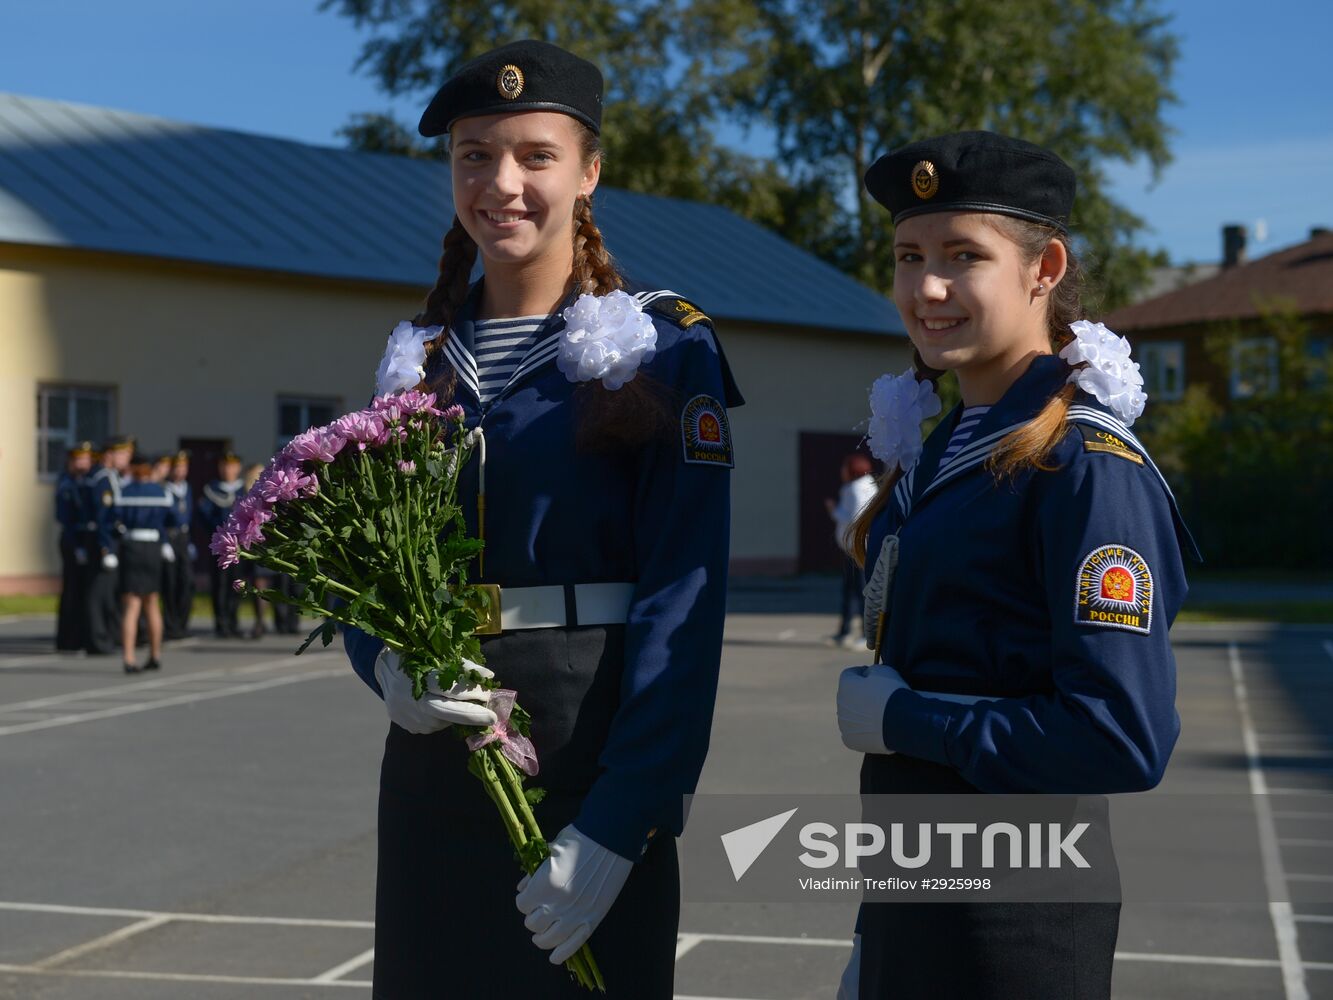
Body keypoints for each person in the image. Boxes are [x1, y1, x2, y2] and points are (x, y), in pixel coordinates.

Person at [340, 39, 742, 998]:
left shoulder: (662, 346)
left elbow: (685, 606)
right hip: (434, 768)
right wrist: (383, 665)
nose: (500, 183)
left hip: (586, 757)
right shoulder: (418, 354)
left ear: (590, 172)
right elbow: (363, 568)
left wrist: (623, 820)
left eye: (535, 155)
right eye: (474, 154)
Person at [833, 132, 1199, 1000]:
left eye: (965, 256)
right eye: (908, 255)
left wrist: (909, 722)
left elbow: (1121, 737)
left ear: (1045, 268)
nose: (926, 287)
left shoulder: (1082, 463)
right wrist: (871, 938)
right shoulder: (945, 446)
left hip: (1012, 926)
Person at [114, 452, 180, 673]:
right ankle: (155, 654)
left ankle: (129, 657)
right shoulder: (162, 492)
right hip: (153, 547)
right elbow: (174, 520)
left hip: (131, 546)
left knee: (131, 605)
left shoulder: (123, 492)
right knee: (152, 602)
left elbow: (113, 518)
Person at [80, 436, 132, 655]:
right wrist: (106, 548)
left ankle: (106, 636)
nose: (126, 458)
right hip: (103, 540)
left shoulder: (111, 477)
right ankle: (97, 639)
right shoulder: (103, 479)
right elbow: (102, 517)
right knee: (99, 593)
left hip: (110, 538)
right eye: (122, 454)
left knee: (107, 592)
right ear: (110, 455)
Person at [825, 453, 876, 648]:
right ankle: (845, 631)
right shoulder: (859, 487)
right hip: (853, 548)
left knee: (860, 591)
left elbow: (855, 516)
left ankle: (865, 635)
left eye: (845, 468)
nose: (842, 472)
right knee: (850, 591)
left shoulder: (857, 489)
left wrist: (833, 510)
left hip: (858, 548)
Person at [198, 452, 244, 638]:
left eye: (232, 466)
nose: (228, 470)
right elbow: (203, 516)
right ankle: (221, 622)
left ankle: (233, 621)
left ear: (238, 468)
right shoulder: (212, 490)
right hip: (220, 545)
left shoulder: (243, 489)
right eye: (225, 465)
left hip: (240, 547)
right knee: (220, 584)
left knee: (238, 584)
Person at [54, 442, 93, 651]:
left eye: (86, 459)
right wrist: (77, 545)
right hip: (72, 539)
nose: (83, 463)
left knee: (84, 591)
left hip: (85, 539)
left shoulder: (87, 481)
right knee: (71, 591)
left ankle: (81, 635)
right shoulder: (66, 483)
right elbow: (65, 517)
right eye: (79, 459)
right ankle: (67, 639)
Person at [162, 451, 196, 639]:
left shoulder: (186, 488)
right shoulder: (165, 488)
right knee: (170, 582)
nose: (181, 471)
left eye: (184, 467)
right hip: (170, 536)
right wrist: (165, 543)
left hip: (183, 537)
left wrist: (190, 542)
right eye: (177, 467)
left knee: (187, 582)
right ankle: (171, 624)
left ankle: (182, 623)